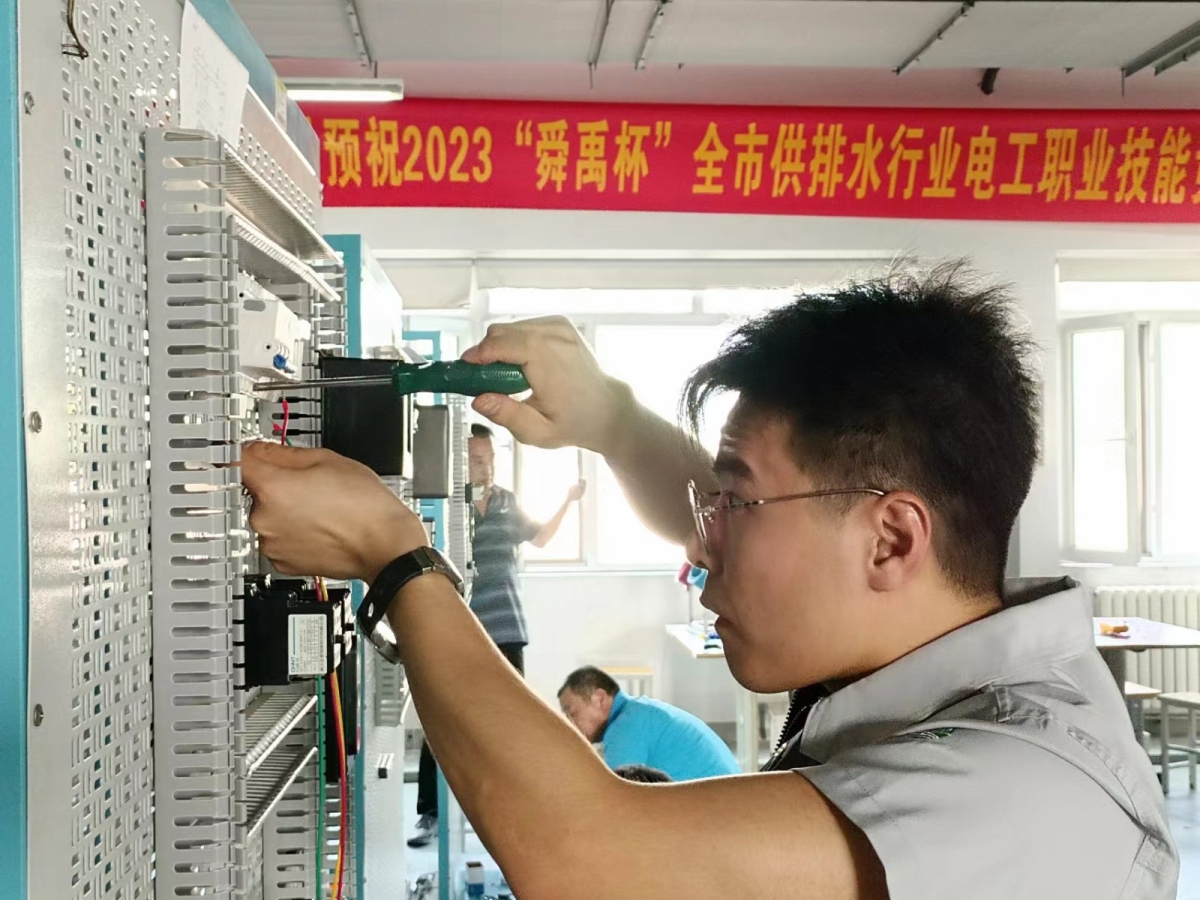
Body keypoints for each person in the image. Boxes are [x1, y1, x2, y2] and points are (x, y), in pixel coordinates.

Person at [242, 263, 1177, 900]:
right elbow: (768, 518)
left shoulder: (1026, 794)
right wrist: (612, 420)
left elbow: (587, 859)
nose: (701, 548)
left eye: (735, 503)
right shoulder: (931, 643)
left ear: (892, 540)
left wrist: (397, 559)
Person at [409, 423, 586, 847]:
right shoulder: (446, 505)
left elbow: (540, 538)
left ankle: (513, 810)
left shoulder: (507, 501)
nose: (485, 467)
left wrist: (568, 500)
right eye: (476, 459)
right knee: (442, 717)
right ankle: (430, 813)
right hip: (458, 629)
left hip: (506, 625)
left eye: (489, 459)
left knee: (511, 721)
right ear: (459, 461)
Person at [558, 666, 740, 780]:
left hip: (715, 811)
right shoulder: (640, 713)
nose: (570, 723)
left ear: (599, 699)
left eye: (572, 712)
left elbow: (615, 798)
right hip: (727, 800)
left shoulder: (625, 728)